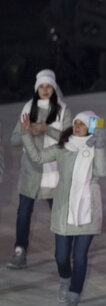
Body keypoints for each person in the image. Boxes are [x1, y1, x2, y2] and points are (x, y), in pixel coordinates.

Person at [19, 110, 106, 306]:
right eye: (75, 122)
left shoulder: (94, 149)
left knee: (80, 255)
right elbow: (38, 156)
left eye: (82, 124)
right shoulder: (62, 147)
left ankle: (74, 294)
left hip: (88, 211)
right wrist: (26, 134)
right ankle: (65, 278)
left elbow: (101, 171)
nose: (77, 126)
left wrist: (100, 144)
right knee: (61, 256)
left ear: (89, 128)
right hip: (63, 210)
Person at [8, 70, 72, 269]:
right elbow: (14, 140)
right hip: (32, 172)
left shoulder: (63, 109)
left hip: (55, 172)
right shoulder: (28, 108)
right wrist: (27, 131)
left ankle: (64, 254)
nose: (45, 90)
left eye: (49, 86)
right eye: (42, 87)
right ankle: (20, 250)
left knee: (59, 215)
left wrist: (47, 129)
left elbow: (71, 139)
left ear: (54, 88)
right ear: (37, 89)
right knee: (24, 213)